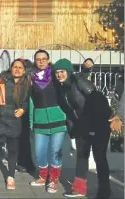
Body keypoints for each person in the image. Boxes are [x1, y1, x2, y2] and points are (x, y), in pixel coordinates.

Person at [53, 59, 112, 198]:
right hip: (81, 126)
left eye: (62, 72)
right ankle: (79, 188)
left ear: (68, 71)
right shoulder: (61, 88)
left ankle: (105, 190)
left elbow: (96, 99)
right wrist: (73, 126)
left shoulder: (79, 81)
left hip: (98, 124)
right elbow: (69, 110)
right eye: (56, 72)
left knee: (100, 157)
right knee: (81, 156)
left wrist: (92, 123)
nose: (59, 75)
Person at [0, 59, 31, 190]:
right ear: (11, 68)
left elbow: (26, 101)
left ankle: (10, 177)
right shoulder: (1, 78)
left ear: (24, 70)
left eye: (20, 67)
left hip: (14, 122)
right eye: (15, 67)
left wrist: (23, 109)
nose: (17, 69)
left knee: (13, 151)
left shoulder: (27, 83)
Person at [28, 50, 67, 194]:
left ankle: (53, 180)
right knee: (39, 153)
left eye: (44, 59)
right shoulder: (31, 78)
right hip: (40, 121)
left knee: (55, 152)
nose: (41, 61)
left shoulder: (55, 76)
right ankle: (43, 176)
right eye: (38, 59)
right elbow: (31, 102)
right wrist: (32, 122)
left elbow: (69, 82)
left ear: (49, 60)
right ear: (35, 61)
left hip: (58, 120)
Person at [16, 59, 36, 173]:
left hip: (30, 114)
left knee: (25, 141)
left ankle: (26, 163)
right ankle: (24, 163)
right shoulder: (20, 82)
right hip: (23, 114)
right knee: (23, 140)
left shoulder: (32, 81)